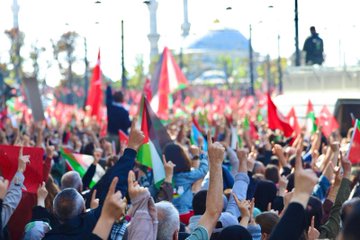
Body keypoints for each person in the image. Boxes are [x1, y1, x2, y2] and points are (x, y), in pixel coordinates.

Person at [106, 85, 131, 153]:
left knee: (110, 154)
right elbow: (127, 124)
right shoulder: (124, 112)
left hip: (110, 135)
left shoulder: (110, 107)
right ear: (122, 99)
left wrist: (108, 87)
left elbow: (108, 98)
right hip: (120, 138)